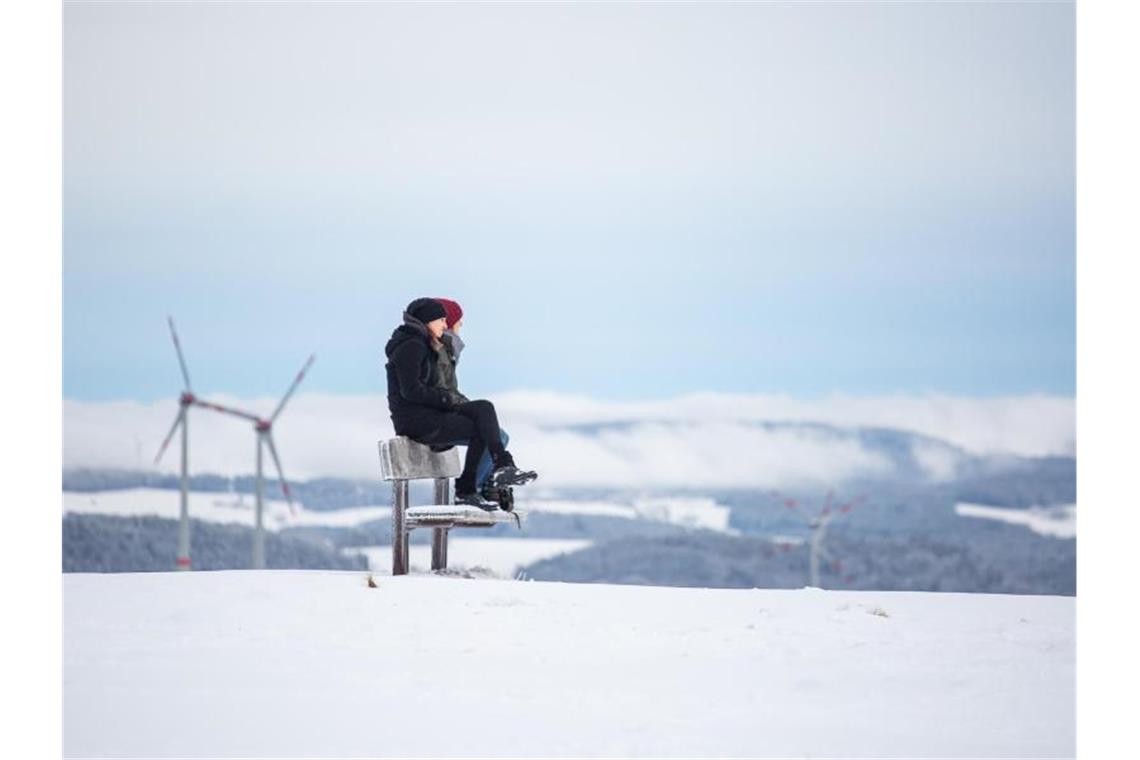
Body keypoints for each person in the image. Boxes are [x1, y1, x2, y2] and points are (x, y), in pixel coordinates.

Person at [384, 297, 535, 510]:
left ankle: (503, 465)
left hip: (430, 414)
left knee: (484, 408)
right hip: (417, 421)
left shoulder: (422, 345)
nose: (445, 326)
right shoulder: (412, 346)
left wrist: (449, 400)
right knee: (481, 426)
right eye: (441, 320)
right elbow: (411, 391)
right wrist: (446, 399)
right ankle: (469, 488)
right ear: (428, 320)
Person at [433, 297, 514, 510]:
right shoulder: (440, 350)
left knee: (496, 432)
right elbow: (440, 390)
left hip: (441, 413)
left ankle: (483, 487)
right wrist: (465, 408)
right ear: (449, 323)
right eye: (459, 322)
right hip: (434, 420)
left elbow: (447, 390)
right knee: (496, 433)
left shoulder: (446, 349)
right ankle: (473, 489)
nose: (461, 327)